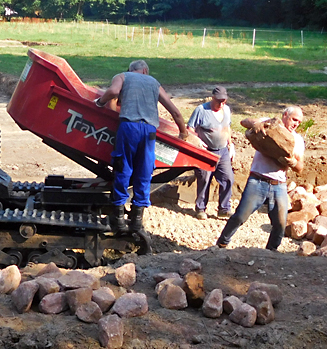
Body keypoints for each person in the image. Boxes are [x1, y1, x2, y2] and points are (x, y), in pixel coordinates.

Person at [95, 60, 187, 234]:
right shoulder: (154, 82)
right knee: (144, 170)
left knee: (123, 166)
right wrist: (183, 133)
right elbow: (175, 111)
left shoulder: (123, 76)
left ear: (131, 70)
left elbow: (113, 91)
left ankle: (119, 218)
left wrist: (99, 103)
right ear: (145, 70)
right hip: (149, 131)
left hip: (128, 127)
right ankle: (137, 220)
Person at [215, 106, 305, 251]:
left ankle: (271, 253)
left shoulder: (297, 140)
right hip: (257, 181)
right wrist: (256, 124)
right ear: (285, 115)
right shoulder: (269, 124)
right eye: (294, 119)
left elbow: (300, 167)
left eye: (299, 122)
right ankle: (221, 245)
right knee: (240, 217)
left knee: (280, 224)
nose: (295, 124)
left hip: (279, 185)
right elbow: (244, 121)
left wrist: (293, 162)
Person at [186, 86, 234, 220]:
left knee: (228, 178)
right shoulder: (201, 110)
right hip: (206, 152)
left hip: (223, 150)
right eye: (219, 101)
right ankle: (201, 208)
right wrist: (197, 141)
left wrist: (230, 144)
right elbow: (189, 128)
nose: (221, 104)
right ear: (212, 98)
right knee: (204, 179)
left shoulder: (227, 110)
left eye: (224, 101)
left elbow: (227, 128)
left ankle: (224, 208)